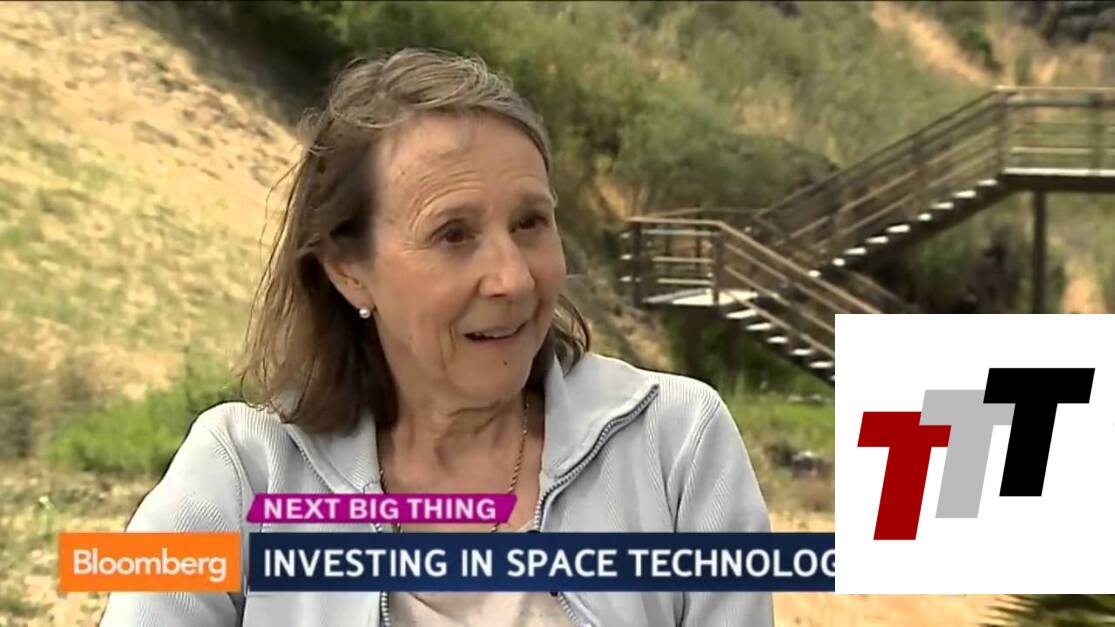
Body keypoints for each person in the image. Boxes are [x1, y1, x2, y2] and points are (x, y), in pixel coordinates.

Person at [101, 48, 772, 627]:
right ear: (348, 269)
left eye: (530, 223)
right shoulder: (239, 474)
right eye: (453, 234)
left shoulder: (675, 444)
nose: (512, 278)